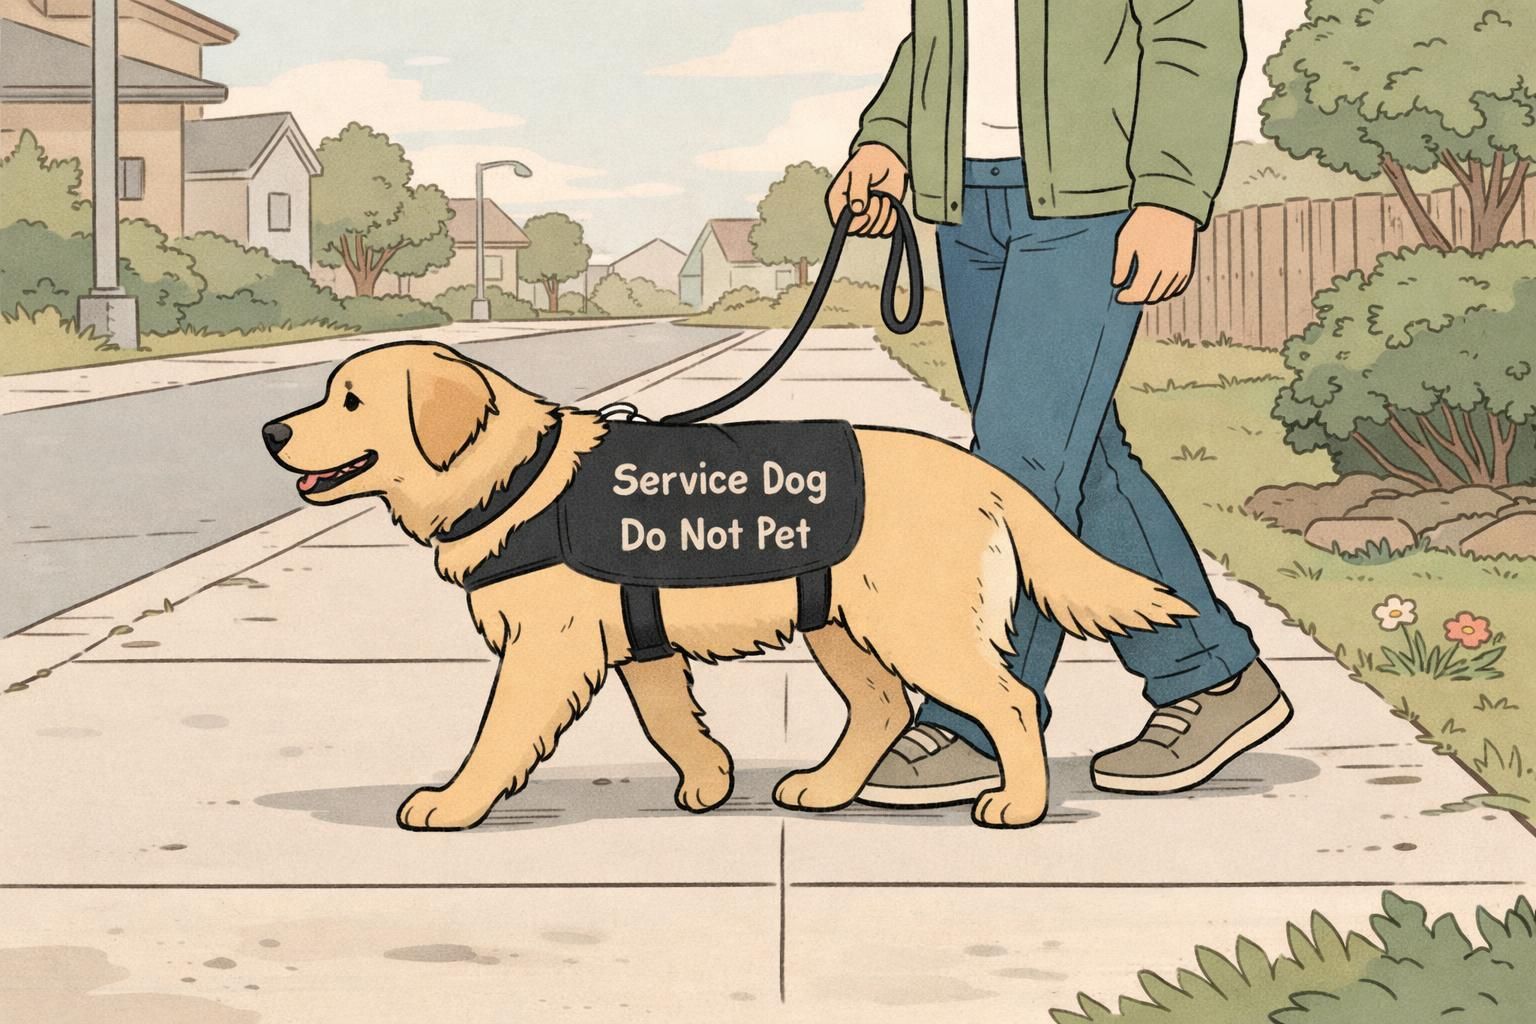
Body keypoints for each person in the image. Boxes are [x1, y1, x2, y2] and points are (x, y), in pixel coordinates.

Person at [829, 0, 1292, 805]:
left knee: (1020, 468)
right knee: (1087, 463)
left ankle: (978, 718)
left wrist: (1172, 198)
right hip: (969, 203)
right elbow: (937, 38)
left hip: (1091, 204)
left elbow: (1193, 31)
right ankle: (1212, 677)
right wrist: (890, 139)